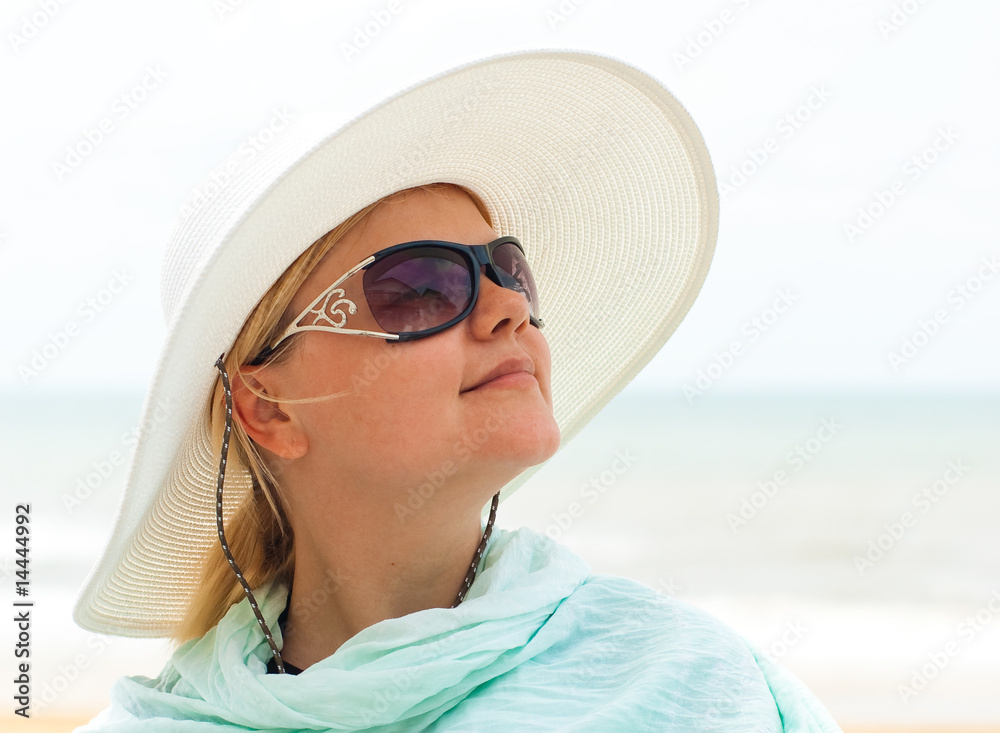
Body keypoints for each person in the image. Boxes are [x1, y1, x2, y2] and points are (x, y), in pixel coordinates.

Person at [74, 50, 842, 731]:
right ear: (269, 407)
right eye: (421, 286)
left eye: (510, 270)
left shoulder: (695, 687)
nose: (509, 306)